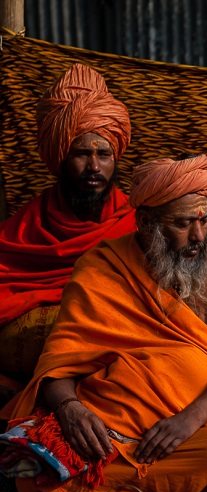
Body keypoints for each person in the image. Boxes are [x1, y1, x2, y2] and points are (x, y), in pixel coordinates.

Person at [0, 155, 207, 492]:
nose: (198, 237)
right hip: (114, 426)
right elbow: (59, 363)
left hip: (191, 425)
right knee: (37, 475)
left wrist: (187, 421)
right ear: (147, 224)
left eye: (204, 221)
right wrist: (71, 409)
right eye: (182, 224)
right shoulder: (101, 269)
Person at [0, 64, 136, 390]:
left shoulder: (136, 222)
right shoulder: (29, 225)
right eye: (80, 154)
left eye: (103, 154)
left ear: (115, 156)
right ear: (61, 157)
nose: (93, 167)